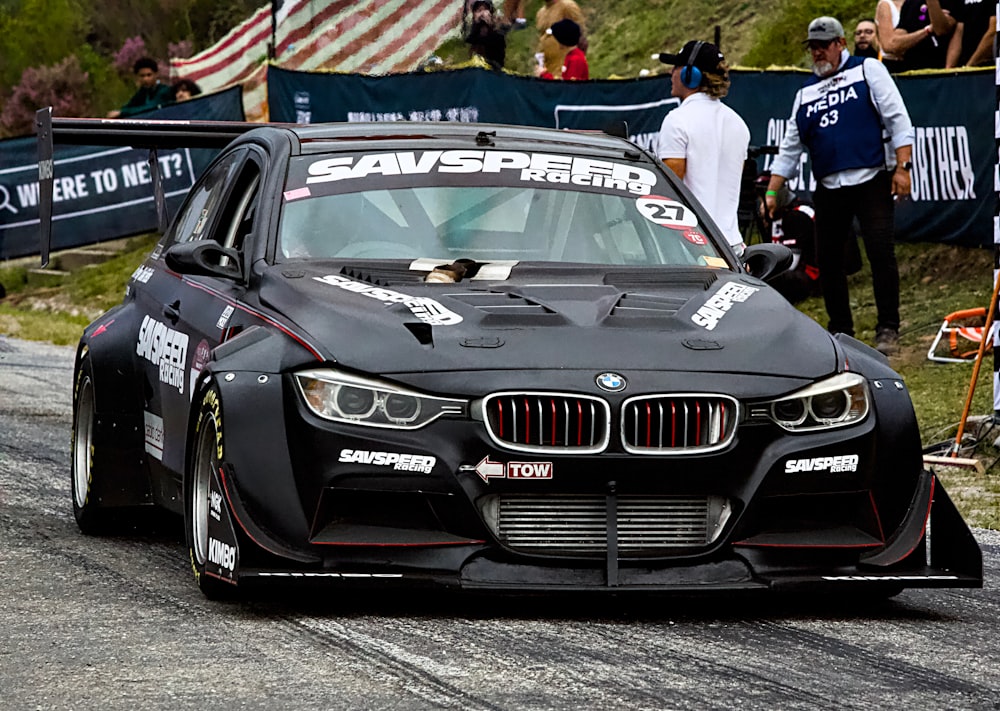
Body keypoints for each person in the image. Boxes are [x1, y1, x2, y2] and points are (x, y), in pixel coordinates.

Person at [765, 16, 913, 355]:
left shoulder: (867, 70)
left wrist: (902, 167)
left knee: (880, 252)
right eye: (812, 47)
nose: (817, 53)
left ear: (840, 44)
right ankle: (840, 329)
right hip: (829, 185)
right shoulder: (805, 93)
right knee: (829, 259)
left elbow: (897, 116)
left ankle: (888, 326)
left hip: (871, 177)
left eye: (823, 46)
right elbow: (790, 147)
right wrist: (773, 191)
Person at [656, 41, 751, 257]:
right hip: (732, 245)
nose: (671, 74)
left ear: (691, 75)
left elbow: (669, 189)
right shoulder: (738, 123)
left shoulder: (677, 120)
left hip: (691, 245)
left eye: (676, 68)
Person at [877, 0, 955, 72]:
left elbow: (940, 30)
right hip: (911, 72)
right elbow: (892, 44)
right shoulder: (910, 3)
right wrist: (927, 30)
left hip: (942, 72)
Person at [107, 57, 174, 118]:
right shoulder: (142, 92)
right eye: (142, 76)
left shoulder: (164, 91)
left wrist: (123, 113)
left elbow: (150, 107)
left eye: (149, 75)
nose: (146, 79)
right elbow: (128, 106)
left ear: (156, 74)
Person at [535, 0, 586, 79]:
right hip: (547, 65)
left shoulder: (567, 6)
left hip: (564, 64)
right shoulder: (540, 13)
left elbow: (579, 33)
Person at [947, 0, 996, 67]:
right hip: (966, 66)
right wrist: (949, 70)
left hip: (989, 67)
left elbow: (994, 32)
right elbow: (959, 32)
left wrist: (970, 66)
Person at [464, 0, 507, 69]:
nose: (482, 14)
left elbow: (499, 51)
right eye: (479, 10)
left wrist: (490, 24)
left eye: (485, 9)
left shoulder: (498, 35)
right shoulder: (471, 37)